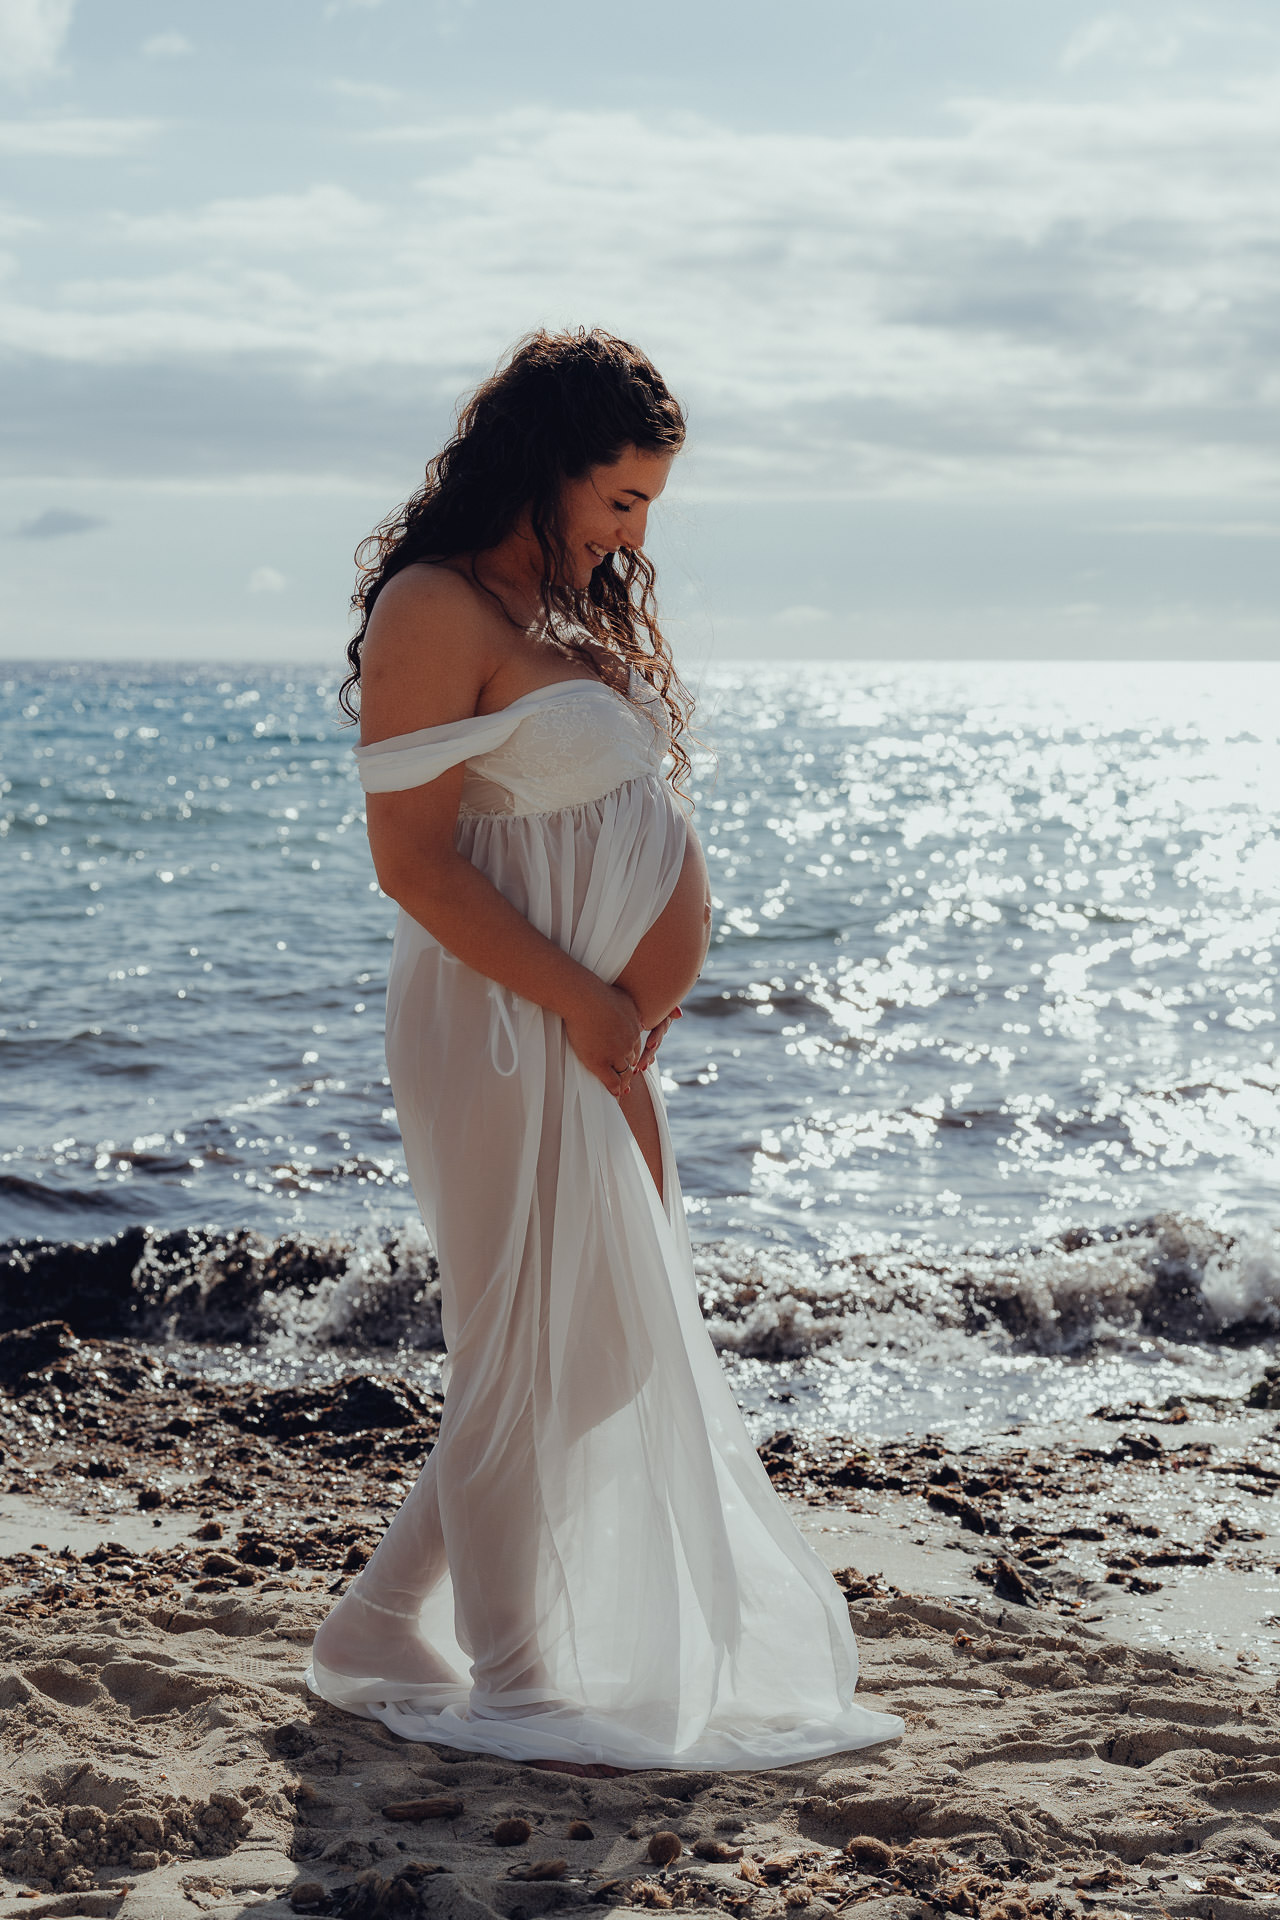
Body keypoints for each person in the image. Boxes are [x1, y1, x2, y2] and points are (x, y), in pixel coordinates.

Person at [305, 327, 904, 1772]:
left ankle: (384, 1617)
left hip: (589, 1020)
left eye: (650, 506)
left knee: (606, 1344)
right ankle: (513, 1674)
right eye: (622, 500)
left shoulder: (563, 612)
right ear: (540, 467)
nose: (638, 533)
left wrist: (625, 985)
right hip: (507, 1016)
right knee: (522, 1337)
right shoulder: (435, 606)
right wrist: (582, 992)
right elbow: (415, 862)